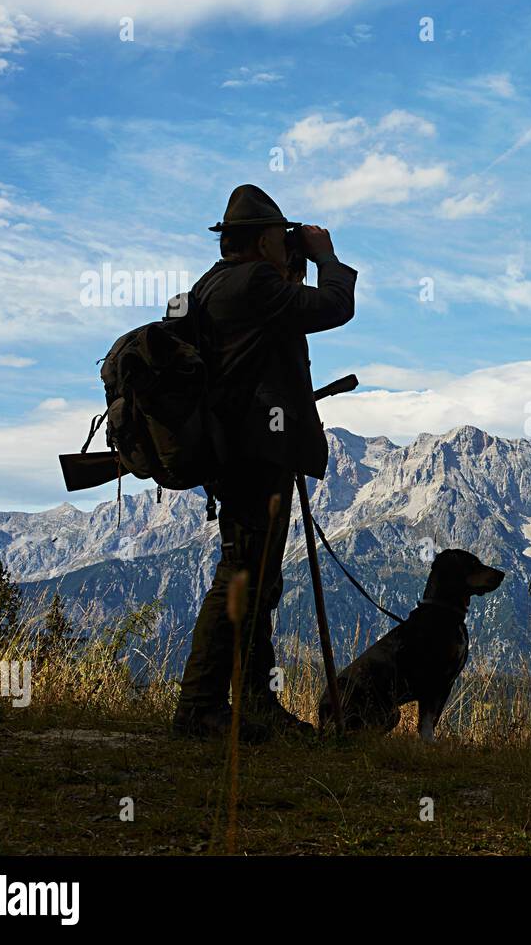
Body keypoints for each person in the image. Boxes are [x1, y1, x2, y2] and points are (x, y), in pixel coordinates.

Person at [172, 184, 356, 741]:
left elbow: (273, 326)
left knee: (255, 576)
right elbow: (333, 308)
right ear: (260, 240)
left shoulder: (210, 286)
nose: (288, 241)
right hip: (259, 450)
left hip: (232, 450)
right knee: (242, 574)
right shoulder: (254, 282)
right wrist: (324, 256)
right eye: (281, 234)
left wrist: (291, 264)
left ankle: (253, 704)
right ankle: (201, 708)